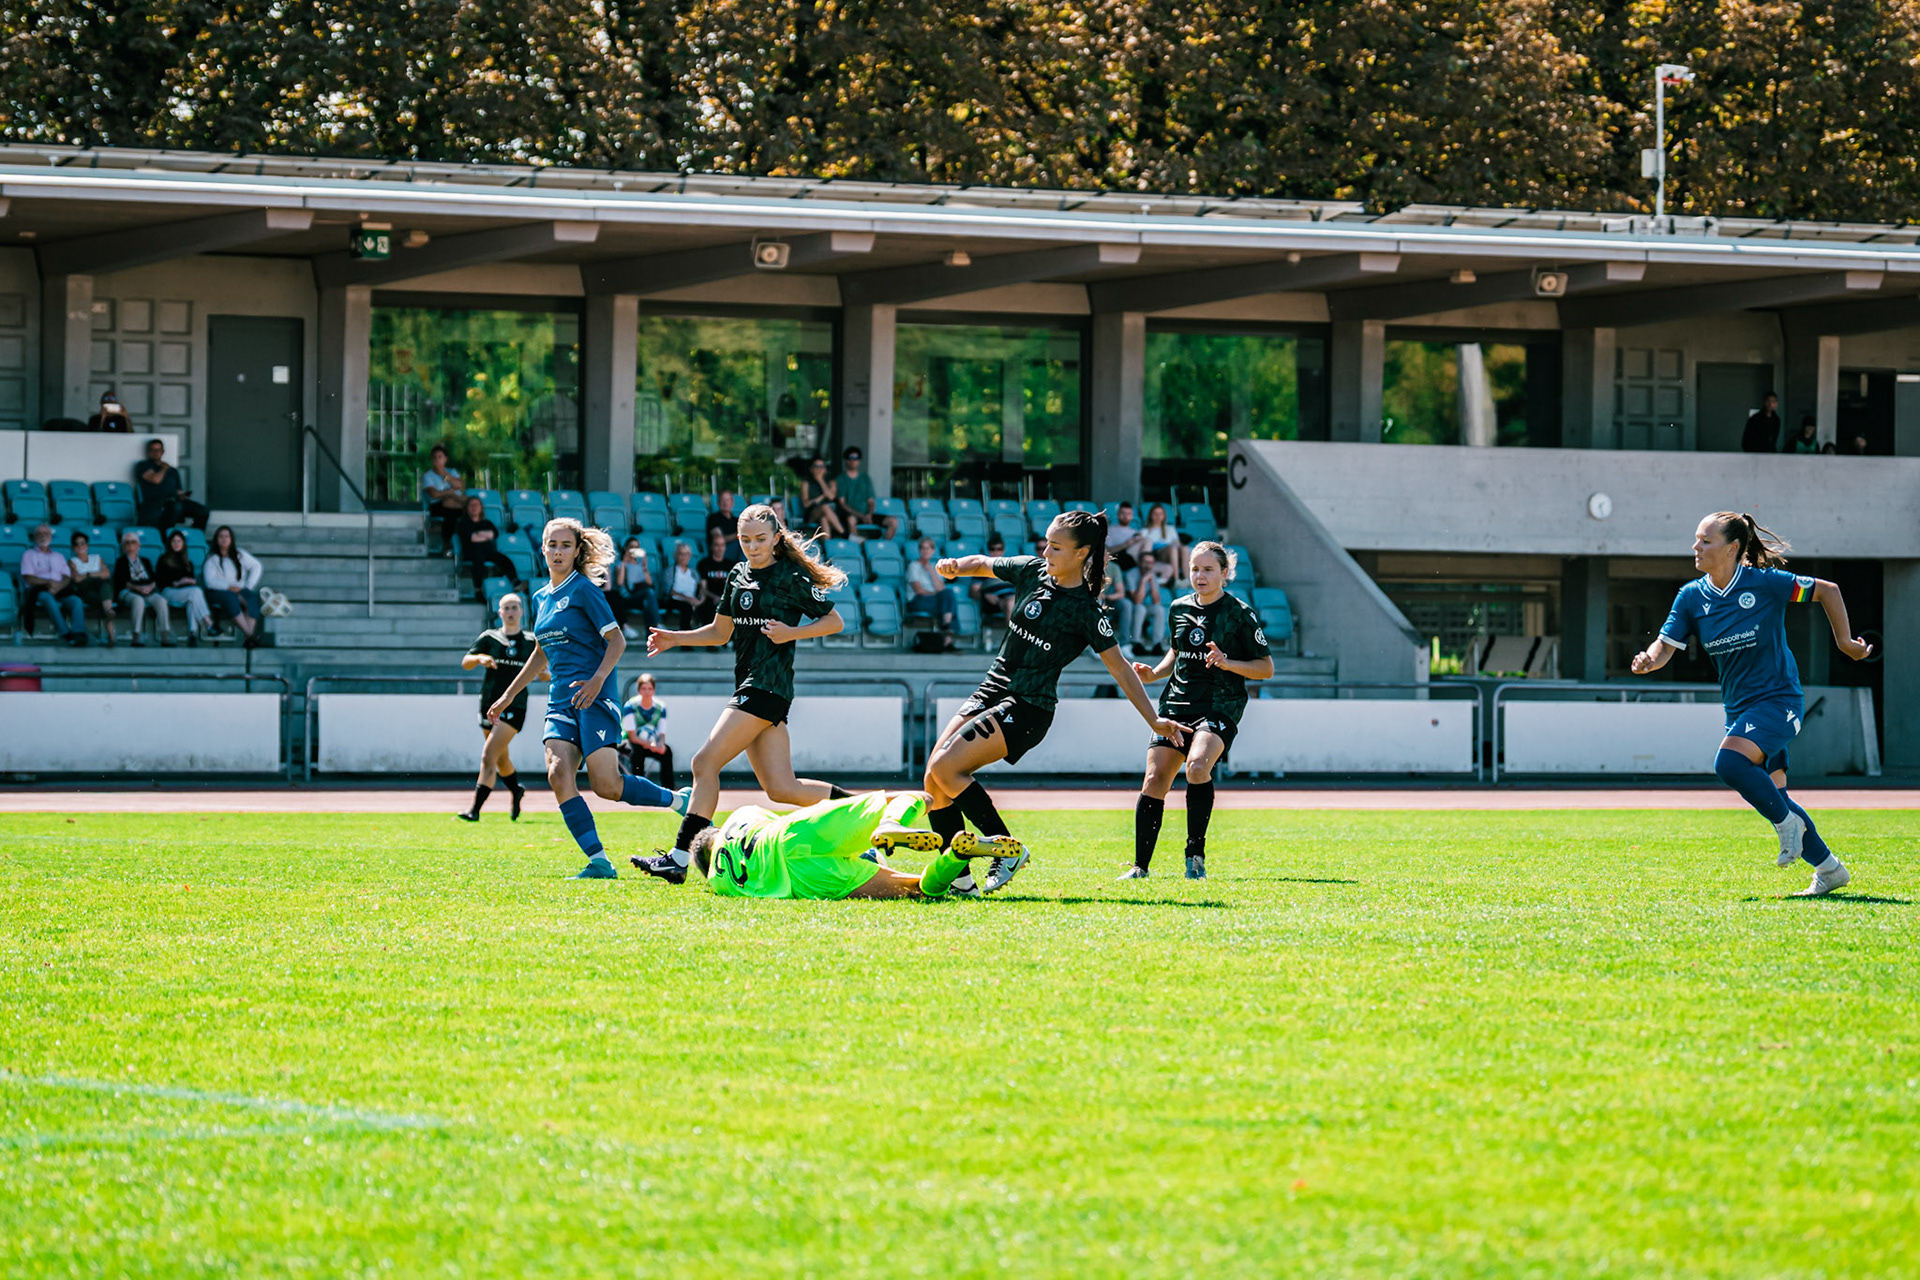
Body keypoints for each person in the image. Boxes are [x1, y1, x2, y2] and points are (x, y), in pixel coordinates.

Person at [920, 510, 1189, 897]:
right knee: (934, 779)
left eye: (1056, 546)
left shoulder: (1086, 611)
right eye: (1046, 542)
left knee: (947, 768)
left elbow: (1122, 670)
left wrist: (1155, 719)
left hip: (1029, 706)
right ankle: (960, 881)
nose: (1046, 551)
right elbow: (980, 563)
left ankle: (1005, 847)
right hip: (991, 691)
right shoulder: (1031, 571)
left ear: (1082, 554)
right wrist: (954, 567)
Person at [1629, 512, 1874, 896]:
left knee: (1729, 763)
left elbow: (1828, 590)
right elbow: (1664, 647)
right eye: (1696, 539)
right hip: (1740, 709)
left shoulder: (1766, 584)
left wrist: (1845, 643)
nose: (1696, 547)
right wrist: (1647, 658)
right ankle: (1829, 869)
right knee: (1777, 794)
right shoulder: (1692, 597)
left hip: (1780, 703)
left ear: (1732, 549)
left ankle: (1785, 825)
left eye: (1705, 541)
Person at [633, 503, 851, 884]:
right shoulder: (737, 574)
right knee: (783, 788)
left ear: (777, 538)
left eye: (761, 539)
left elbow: (835, 621)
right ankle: (859, 809)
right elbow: (720, 633)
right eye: (745, 539)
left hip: (767, 686)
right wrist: (673, 639)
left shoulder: (791, 576)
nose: (752, 546)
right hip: (752, 686)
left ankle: (679, 858)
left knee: (704, 763)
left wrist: (791, 632)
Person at [484, 518, 692, 878]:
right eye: (552, 544)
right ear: (543, 549)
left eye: (565, 545)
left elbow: (618, 641)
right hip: (560, 700)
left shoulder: (584, 590)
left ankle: (678, 800)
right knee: (557, 773)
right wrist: (506, 695)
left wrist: (597, 680)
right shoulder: (540, 596)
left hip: (594, 696)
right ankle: (599, 862)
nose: (558, 551)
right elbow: (541, 652)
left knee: (607, 786)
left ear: (577, 550)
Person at [1122, 543, 1273, 880]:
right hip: (1177, 703)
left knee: (1196, 766)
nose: (1200, 576)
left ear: (1224, 574)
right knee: (1154, 779)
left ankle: (1195, 857)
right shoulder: (1178, 608)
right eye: (1194, 568)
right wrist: (1154, 674)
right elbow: (1176, 653)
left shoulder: (1240, 614)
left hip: (1220, 704)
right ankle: (1140, 867)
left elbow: (1266, 668)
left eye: (1207, 569)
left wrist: (1227, 662)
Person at [688, 791, 950, 900]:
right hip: (791, 834)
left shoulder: (718, 881)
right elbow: (777, 821)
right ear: (717, 832)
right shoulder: (739, 816)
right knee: (922, 798)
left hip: (799, 881)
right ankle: (890, 822)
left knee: (915, 889)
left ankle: (956, 857)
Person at [458, 593, 537, 822]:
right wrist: (480, 658)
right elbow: (466, 662)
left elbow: (543, 669)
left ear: (521, 611)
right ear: (499, 612)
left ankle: (475, 809)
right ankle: (516, 790)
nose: (511, 612)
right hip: (488, 703)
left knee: (488, 755)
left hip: (515, 705)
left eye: (514, 607)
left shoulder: (531, 641)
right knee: (501, 758)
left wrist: (544, 675)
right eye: (506, 608)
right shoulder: (489, 638)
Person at [20, 524, 85, 645]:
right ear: (34, 538)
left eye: (45, 534)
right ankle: (65, 633)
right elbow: (29, 578)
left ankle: (79, 633)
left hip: (59, 589)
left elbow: (67, 577)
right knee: (48, 598)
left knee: (76, 600)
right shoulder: (28, 554)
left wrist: (58, 586)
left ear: (50, 537)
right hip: (39, 589)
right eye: (39, 534)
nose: (42, 536)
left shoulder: (59, 556)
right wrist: (49, 583)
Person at [203, 525, 265, 648]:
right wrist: (228, 587)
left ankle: (249, 638)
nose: (224, 539)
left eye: (227, 536)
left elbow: (256, 566)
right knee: (231, 598)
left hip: (239, 589)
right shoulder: (212, 559)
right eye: (221, 536)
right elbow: (209, 581)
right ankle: (251, 635)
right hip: (218, 592)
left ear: (231, 539)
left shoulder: (239, 554)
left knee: (251, 599)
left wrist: (248, 585)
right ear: (216, 539)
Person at [133, 437, 209, 531]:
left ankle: (195, 537)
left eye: (158, 450)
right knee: (175, 508)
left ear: (163, 452)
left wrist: (183, 495)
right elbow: (156, 479)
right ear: (148, 451)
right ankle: (168, 538)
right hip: (156, 502)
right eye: (152, 450)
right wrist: (164, 468)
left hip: (174, 500)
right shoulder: (143, 466)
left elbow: (178, 490)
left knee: (203, 511)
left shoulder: (172, 471)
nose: (155, 452)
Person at [112, 529, 171, 647]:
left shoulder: (145, 561)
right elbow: (122, 581)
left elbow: (154, 578)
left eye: (133, 542)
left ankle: (164, 635)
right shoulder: (121, 561)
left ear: (138, 545)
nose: (130, 545)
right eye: (127, 543)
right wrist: (138, 588)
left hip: (147, 590)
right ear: (123, 546)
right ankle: (136, 636)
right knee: (138, 601)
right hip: (129, 591)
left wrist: (150, 587)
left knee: (161, 601)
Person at [155, 529, 214, 645]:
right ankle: (208, 622)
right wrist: (177, 583)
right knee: (195, 593)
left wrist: (189, 581)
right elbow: (160, 581)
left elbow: (191, 584)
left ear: (183, 543)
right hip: (168, 592)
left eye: (179, 541)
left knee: (193, 600)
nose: (176, 544)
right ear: (169, 543)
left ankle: (192, 634)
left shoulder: (188, 563)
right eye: (174, 541)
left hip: (186, 593)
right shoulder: (163, 559)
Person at [454, 494, 519, 599]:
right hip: (472, 552)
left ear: (481, 508)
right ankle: (478, 590)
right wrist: (486, 536)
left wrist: (479, 534)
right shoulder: (463, 523)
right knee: (478, 559)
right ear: (467, 508)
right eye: (471, 505)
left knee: (503, 559)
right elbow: (473, 538)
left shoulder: (487, 523)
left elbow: (494, 534)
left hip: (488, 552)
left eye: (476, 505)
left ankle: (515, 582)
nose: (474, 507)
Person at [620, 672, 673, 788]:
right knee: (637, 752)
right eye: (643, 688)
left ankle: (669, 789)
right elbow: (632, 736)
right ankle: (638, 787)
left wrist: (660, 745)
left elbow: (661, 732)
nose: (647, 692)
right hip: (630, 742)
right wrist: (649, 745)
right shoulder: (630, 706)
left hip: (651, 743)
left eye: (650, 688)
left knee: (667, 752)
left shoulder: (661, 707)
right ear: (639, 690)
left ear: (654, 690)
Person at [67, 530, 115, 646]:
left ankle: (110, 633)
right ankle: (111, 633)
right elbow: (77, 579)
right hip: (86, 590)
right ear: (73, 547)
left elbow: (106, 573)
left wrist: (86, 574)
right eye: (77, 544)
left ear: (87, 545)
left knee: (105, 586)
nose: (80, 546)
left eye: (82, 543)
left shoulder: (96, 558)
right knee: (103, 596)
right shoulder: (72, 562)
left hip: (101, 586)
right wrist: (94, 574)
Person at [905, 536, 958, 637]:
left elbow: (941, 588)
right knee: (949, 606)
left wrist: (931, 571)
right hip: (917, 600)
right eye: (922, 548)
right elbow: (919, 590)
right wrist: (935, 594)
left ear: (933, 551)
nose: (925, 551)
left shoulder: (934, 567)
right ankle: (948, 634)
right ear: (919, 550)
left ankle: (947, 626)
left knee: (949, 595)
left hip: (934, 599)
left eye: (928, 548)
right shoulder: (913, 566)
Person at [420, 444, 467, 554]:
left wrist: (446, 475)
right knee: (451, 507)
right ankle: (447, 544)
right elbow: (434, 494)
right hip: (437, 505)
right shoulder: (428, 476)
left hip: (455, 503)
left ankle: (460, 544)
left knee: (469, 507)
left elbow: (460, 486)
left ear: (445, 459)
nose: (437, 460)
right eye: (434, 457)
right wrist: (449, 493)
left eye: (440, 457)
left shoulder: (452, 472)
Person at [612, 537, 662, 639]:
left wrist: (644, 567)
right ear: (626, 548)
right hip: (626, 597)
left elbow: (649, 582)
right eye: (631, 547)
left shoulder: (640, 565)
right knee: (648, 594)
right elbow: (620, 582)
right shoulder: (620, 564)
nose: (634, 550)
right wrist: (624, 562)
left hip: (640, 595)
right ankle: (657, 624)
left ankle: (650, 636)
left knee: (648, 600)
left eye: (636, 547)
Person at [694, 526, 739, 625]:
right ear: (711, 547)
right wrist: (715, 597)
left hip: (727, 599)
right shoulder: (704, 564)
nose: (720, 548)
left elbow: (734, 586)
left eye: (722, 545)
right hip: (710, 599)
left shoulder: (731, 565)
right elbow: (703, 589)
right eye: (717, 545)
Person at [1129, 548, 1170, 652]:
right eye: (1146, 562)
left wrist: (1151, 582)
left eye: (1151, 563)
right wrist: (1143, 581)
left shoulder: (1153, 576)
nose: (1148, 565)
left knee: (1159, 609)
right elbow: (1137, 600)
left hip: (1144, 606)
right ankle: (1136, 642)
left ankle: (1157, 644)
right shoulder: (1131, 574)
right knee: (1140, 608)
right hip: (1130, 607)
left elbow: (1156, 602)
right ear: (1140, 563)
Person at [797, 456, 847, 538]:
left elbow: (831, 497)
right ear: (811, 469)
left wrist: (820, 480)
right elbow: (806, 504)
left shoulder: (831, 482)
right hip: (812, 513)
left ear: (825, 469)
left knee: (823, 519)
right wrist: (822, 497)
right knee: (824, 508)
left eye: (821, 467)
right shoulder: (806, 483)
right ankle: (844, 534)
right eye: (816, 466)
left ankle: (827, 546)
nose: (819, 469)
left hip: (832, 514)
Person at [834, 446, 879, 535]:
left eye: (856, 458)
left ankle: (881, 547)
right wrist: (860, 515)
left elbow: (871, 501)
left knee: (893, 521)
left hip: (866, 515)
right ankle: (855, 546)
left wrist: (869, 514)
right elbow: (842, 504)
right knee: (851, 520)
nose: (853, 461)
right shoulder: (840, 479)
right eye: (851, 458)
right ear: (846, 460)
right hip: (850, 515)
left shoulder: (865, 478)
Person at [973, 533, 1017, 620]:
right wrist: (984, 595)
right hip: (992, 602)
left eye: (999, 549)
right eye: (992, 549)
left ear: (1003, 550)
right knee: (1011, 603)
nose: (996, 552)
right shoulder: (981, 568)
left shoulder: (1010, 568)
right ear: (988, 551)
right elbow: (973, 592)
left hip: (1012, 598)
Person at [1139, 502, 1185, 581]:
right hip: (1157, 556)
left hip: (1172, 555)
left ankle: (1187, 578)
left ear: (1164, 516)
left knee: (1185, 549)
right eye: (1155, 514)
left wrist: (1177, 544)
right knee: (1172, 549)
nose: (1158, 516)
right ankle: (1176, 579)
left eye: (1160, 514)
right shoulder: (1144, 531)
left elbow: (1178, 543)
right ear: (1150, 515)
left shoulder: (1170, 529)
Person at [661, 539, 702, 628]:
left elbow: (701, 587)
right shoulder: (670, 571)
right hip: (675, 600)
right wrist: (688, 599)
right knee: (686, 607)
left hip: (692, 600)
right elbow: (669, 591)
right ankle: (686, 632)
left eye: (686, 554)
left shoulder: (693, 572)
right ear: (675, 555)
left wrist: (700, 600)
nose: (684, 557)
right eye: (681, 554)